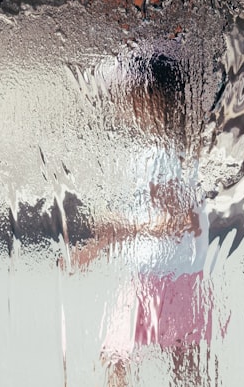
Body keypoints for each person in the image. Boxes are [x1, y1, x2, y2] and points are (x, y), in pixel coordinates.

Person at [67, 49, 217, 386]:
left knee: (159, 362)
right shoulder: (156, 152)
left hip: (167, 277)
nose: (123, 104)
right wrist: (95, 248)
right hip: (154, 276)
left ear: (153, 99)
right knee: (140, 358)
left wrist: (121, 228)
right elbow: (160, 219)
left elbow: (182, 222)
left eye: (131, 95)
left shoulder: (164, 155)